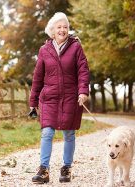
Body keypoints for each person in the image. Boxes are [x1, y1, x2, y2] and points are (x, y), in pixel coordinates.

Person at [29, 12, 90, 184]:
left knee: (68, 133)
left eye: (65, 27)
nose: (62, 30)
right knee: (47, 132)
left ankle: (66, 168)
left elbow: (83, 70)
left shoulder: (76, 47)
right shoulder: (44, 50)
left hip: (71, 97)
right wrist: (33, 102)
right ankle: (43, 170)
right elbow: (37, 77)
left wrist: (83, 91)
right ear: (52, 30)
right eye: (59, 27)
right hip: (49, 98)